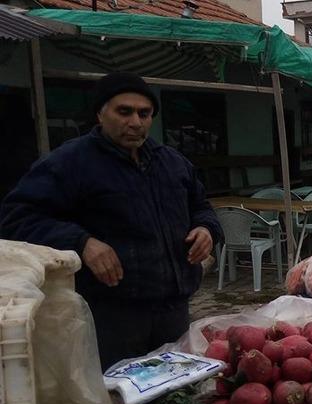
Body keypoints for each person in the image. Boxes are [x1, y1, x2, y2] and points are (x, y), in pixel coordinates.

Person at [0, 72, 223, 371]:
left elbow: (202, 206)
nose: (135, 122)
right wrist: (82, 242)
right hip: (111, 314)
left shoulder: (172, 162)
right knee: (120, 401)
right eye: (124, 111)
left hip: (173, 308)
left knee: (175, 398)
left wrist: (206, 228)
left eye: (144, 114)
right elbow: (16, 216)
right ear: (100, 113)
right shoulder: (70, 163)